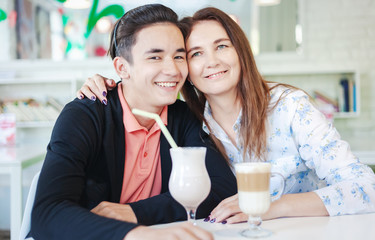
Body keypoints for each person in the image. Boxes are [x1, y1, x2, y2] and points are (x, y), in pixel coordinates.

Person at [78, 7, 375, 225]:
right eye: (195, 54)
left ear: (240, 54)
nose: (212, 62)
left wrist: (272, 206)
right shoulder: (189, 124)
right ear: (186, 71)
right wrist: (112, 86)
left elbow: (366, 189)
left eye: (221, 46)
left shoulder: (290, 107)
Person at [31, 4, 237, 240]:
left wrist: (135, 213)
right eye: (155, 57)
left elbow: (221, 190)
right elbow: (48, 214)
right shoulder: (85, 116)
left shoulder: (183, 117)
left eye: (179, 56)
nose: (172, 70)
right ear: (122, 67)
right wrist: (135, 234)